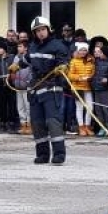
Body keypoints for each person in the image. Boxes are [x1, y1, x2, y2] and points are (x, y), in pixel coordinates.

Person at [11, 17, 69, 165]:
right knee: (37, 123)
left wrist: (62, 67)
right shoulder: (33, 47)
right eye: (38, 31)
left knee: (52, 122)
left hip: (52, 87)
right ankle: (42, 154)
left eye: (43, 29)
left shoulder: (58, 45)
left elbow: (64, 61)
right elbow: (27, 60)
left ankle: (59, 154)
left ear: (48, 30)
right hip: (35, 89)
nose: (41, 33)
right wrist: (17, 65)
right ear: (34, 33)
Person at [67, 42, 95, 136]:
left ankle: (87, 126)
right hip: (77, 87)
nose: (83, 52)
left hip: (87, 87)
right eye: (81, 50)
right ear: (78, 51)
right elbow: (70, 75)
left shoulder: (90, 61)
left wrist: (90, 77)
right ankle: (81, 127)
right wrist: (79, 77)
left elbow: (93, 72)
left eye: (85, 50)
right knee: (80, 108)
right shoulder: (73, 61)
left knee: (90, 107)